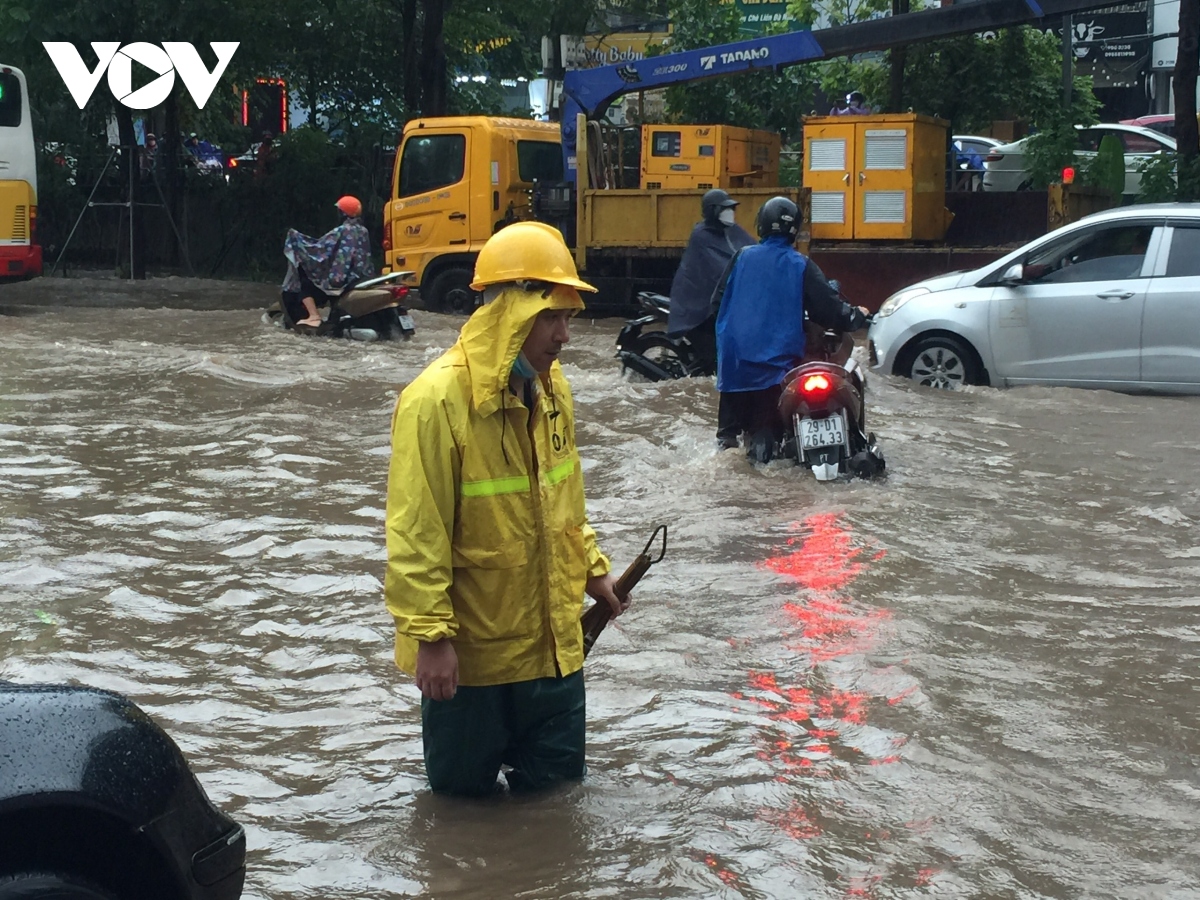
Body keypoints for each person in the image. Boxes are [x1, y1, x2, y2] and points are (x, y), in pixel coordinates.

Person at [383, 221, 627, 797]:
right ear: (505, 311)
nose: (564, 334)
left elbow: (564, 498)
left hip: (554, 650)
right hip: (473, 667)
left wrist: (594, 570)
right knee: (460, 817)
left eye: (569, 317)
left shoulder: (552, 387)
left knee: (557, 808)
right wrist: (432, 640)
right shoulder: (433, 402)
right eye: (551, 316)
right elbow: (417, 535)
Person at [713, 196, 870, 461]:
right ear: (794, 230)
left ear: (761, 224)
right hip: (776, 370)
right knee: (773, 438)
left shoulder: (741, 257)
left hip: (734, 368)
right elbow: (830, 311)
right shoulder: (800, 264)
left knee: (727, 445)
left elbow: (716, 302)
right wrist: (857, 316)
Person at [666, 189, 756, 368]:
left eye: (731, 209)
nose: (730, 213)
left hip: (720, 300)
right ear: (712, 211)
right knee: (714, 355)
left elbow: (754, 249)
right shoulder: (701, 235)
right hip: (697, 306)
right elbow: (721, 268)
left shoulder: (733, 230)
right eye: (725, 209)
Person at [280, 196, 373, 328]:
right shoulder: (364, 231)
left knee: (304, 279)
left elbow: (319, 248)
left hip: (343, 279)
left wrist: (295, 239)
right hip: (360, 276)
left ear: (342, 213)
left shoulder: (342, 230)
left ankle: (314, 316)